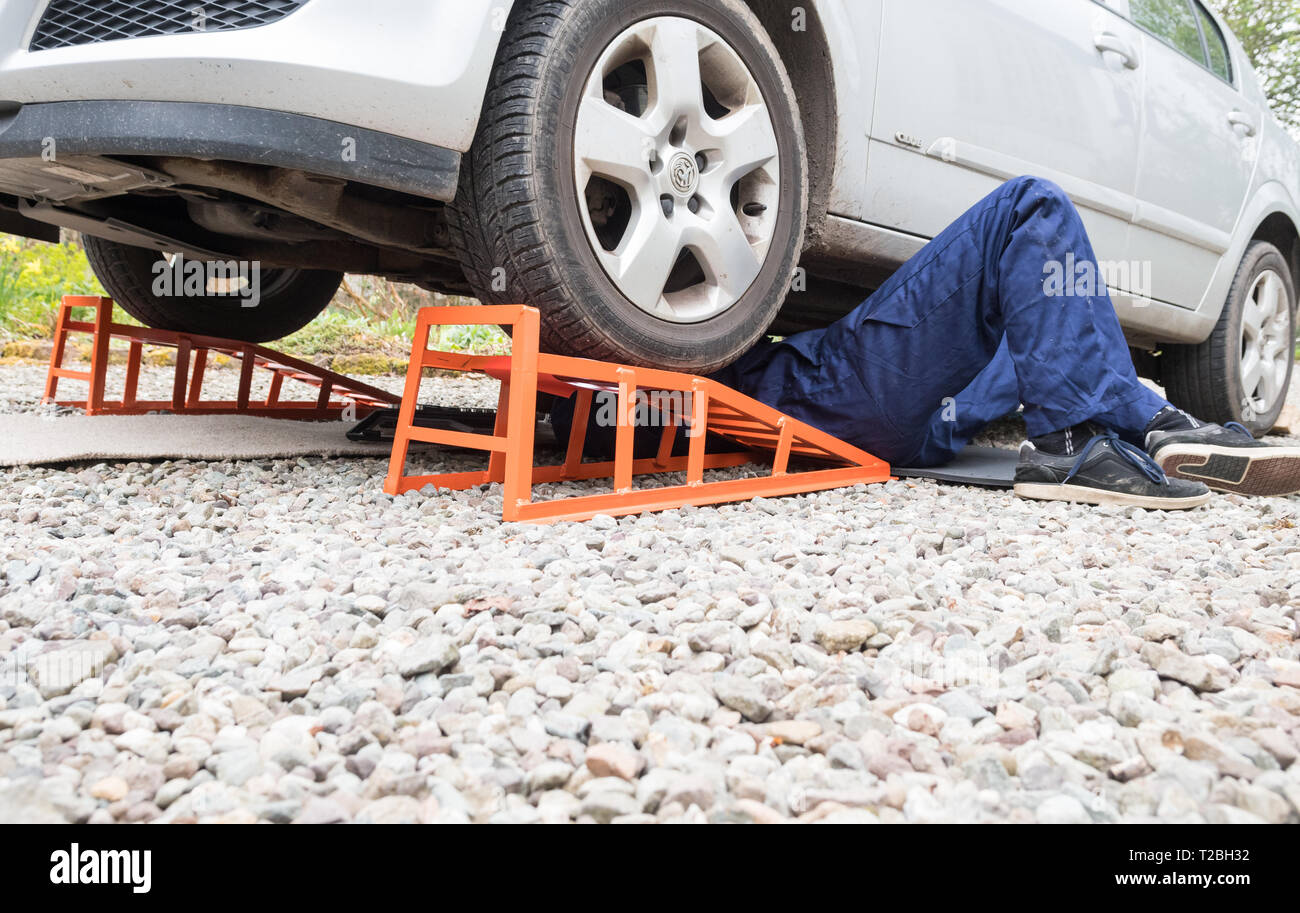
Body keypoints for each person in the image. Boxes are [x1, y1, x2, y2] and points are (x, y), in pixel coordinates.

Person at [708, 176, 1300, 509]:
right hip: (834, 392)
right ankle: (1077, 442)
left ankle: (1148, 424)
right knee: (1031, 206)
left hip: (919, 423)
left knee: (1040, 321)